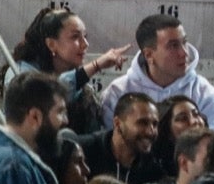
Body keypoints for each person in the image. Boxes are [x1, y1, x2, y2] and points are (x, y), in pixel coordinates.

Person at [11, 8, 129, 137]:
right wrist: (95, 65)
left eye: (85, 37)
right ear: (51, 44)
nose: (85, 44)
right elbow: (45, 96)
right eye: (75, 37)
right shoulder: (21, 71)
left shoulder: (82, 88)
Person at [99, 13, 214, 128]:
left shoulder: (207, 96)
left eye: (184, 42)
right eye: (173, 46)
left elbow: (207, 149)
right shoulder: (117, 93)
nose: (184, 53)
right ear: (149, 55)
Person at [78, 95, 164, 184]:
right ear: (117, 123)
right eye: (142, 123)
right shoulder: (84, 151)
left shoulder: (153, 168)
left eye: (155, 124)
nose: (150, 131)